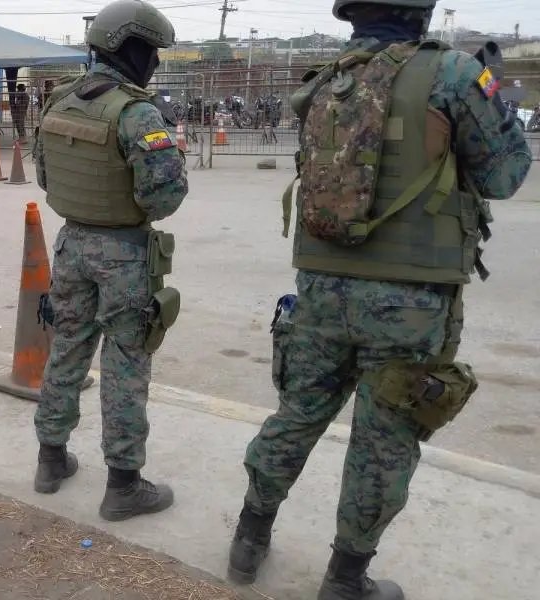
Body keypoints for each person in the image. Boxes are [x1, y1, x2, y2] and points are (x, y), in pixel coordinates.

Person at [227, 1, 533, 598]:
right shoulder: (455, 73)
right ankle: (345, 581)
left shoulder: (325, 80)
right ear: (417, 12)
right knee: (383, 441)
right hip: (409, 298)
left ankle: (248, 539)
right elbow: (505, 175)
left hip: (320, 286)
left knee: (297, 414)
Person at [31, 0, 187, 522]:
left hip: (72, 244)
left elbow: (47, 179)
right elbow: (164, 198)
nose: (157, 64)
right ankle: (123, 485)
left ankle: (50, 459)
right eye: (152, 52)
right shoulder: (137, 112)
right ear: (129, 48)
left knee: (67, 349)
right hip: (123, 253)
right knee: (126, 363)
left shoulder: (57, 101)